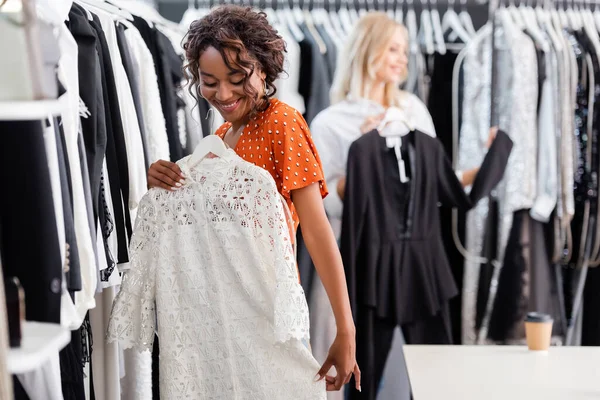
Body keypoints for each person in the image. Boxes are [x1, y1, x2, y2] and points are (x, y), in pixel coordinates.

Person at [144, 5, 360, 392]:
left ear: (263, 68)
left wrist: (346, 329)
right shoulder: (223, 135)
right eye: (209, 81)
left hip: (268, 316)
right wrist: (162, 178)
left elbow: (317, 229)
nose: (222, 93)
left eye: (237, 78)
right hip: (222, 318)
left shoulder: (282, 122)